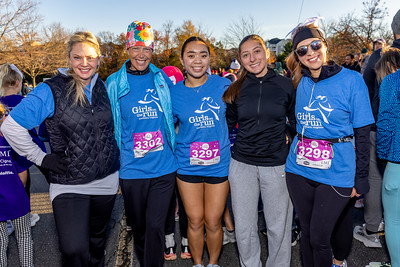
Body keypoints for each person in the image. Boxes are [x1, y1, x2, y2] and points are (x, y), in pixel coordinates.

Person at [1, 31, 120, 267]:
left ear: (99, 59)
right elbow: (11, 127)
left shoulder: (106, 88)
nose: (84, 64)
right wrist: (41, 158)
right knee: (73, 250)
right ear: (68, 58)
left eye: (90, 57)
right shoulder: (51, 90)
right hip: (68, 183)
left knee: (96, 244)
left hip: (106, 181)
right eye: (77, 57)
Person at [285, 20, 374, 267]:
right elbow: (289, 118)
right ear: (297, 56)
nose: (310, 53)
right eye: (302, 50)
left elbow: (363, 133)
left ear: (324, 45)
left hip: (337, 171)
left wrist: (362, 176)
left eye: (314, 45)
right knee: (307, 232)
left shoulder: (352, 80)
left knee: (320, 237)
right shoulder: (297, 82)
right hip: (298, 169)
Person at [106, 21, 177, 267]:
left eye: (146, 48)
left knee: (156, 226)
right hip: (132, 170)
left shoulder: (161, 79)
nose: (141, 54)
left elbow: (176, 113)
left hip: (164, 168)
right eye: (136, 48)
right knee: (140, 228)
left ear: (152, 50)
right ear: (127, 48)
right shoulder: (114, 82)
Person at [223, 34, 295, 267]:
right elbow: (228, 123)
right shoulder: (236, 88)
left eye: (256, 51)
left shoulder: (285, 85)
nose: (252, 58)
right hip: (242, 165)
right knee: (244, 228)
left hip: (276, 165)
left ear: (267, 53)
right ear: (241, 60)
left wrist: (287, 138)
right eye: (246, 55)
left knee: (278, 227)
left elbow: (295, 122)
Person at [171, 36, 231, 267]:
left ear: (209, 59)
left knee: (214, 221)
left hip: (219, 163)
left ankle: (213, 263)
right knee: (195, 221)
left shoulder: (223, 85)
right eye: (191, 55)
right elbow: (169, 125)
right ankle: (198, 264)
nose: (198, 61)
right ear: (182, 60)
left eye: (203, 55)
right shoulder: (174, 93)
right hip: (187, 164)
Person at [355, 9, 400, 253]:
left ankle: (372, 229)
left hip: (378, 126)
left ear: (394, 29)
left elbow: (364, 91)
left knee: (376, 178)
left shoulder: (381, 56)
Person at [0, 63, 43, 231]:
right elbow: (31, 129)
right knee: (23, 185)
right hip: (20, 154)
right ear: (18, 83)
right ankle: (23, 215)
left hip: (4, 153)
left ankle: (8, 219)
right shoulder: (24, 104)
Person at [0, 91, 33, 267]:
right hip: (17, 197)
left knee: (0, 242)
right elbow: (23, 172)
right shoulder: (12, 140)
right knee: (24, 236)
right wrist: (21, 190)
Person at [161, 65, 191, 261]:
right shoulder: (161, 100)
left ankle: (184, 240)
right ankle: (171, 241)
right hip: (167, 160)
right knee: (169, 202)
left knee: (184, 202)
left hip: (183, 159)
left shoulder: (182, 97)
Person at [375, 47, 400, 267]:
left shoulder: (393, 81)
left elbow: (386, 122)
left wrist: (383, 155)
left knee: (394, 221)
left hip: (397, 161)